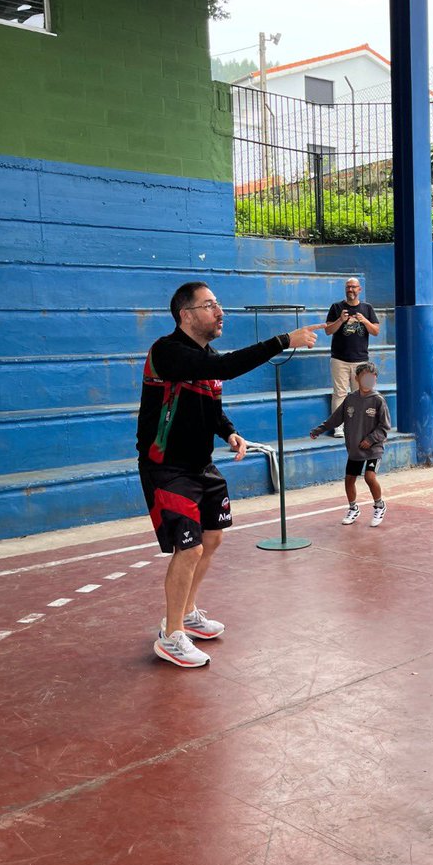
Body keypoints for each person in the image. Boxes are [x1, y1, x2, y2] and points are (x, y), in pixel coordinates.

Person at [137, 281, 321, 669]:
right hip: (167, 466)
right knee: (189, 548)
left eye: (219, 305)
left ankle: (186, 612)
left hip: (200, 464)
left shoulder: (205, 357)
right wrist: (284, 339)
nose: (220, 312)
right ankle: (172, 635)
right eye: (210, 306)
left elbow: (211, 406)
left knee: (213, 537)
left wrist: (230, 432)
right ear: (186, 315)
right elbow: (224, 368)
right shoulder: (167, 352)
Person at [309, 361, 390, 528]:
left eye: (371, 377)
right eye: (364, 377)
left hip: (373, 449)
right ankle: (353, 508)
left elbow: (384, 427)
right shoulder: (350, 399)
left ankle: (379, 505)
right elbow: (335, 419)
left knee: (369, 476)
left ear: (375, 379)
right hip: (355, 449)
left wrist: (371, 439)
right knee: (349, 479)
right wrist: (319, 430)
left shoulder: (378, 401)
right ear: (357, 378)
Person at [324, 277, 380, 437]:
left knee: (363, 393)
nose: (351, 290)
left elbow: (376, 331)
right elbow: (328, 330)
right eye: (348, 287)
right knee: (339, 393)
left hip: (361, 359)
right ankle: (338, 427)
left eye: (354, 287)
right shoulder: (336, 307)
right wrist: (341, 320)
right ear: (345, 289)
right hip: (339, 358)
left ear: (359, 289)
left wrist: (364, 321)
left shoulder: (367, 308)